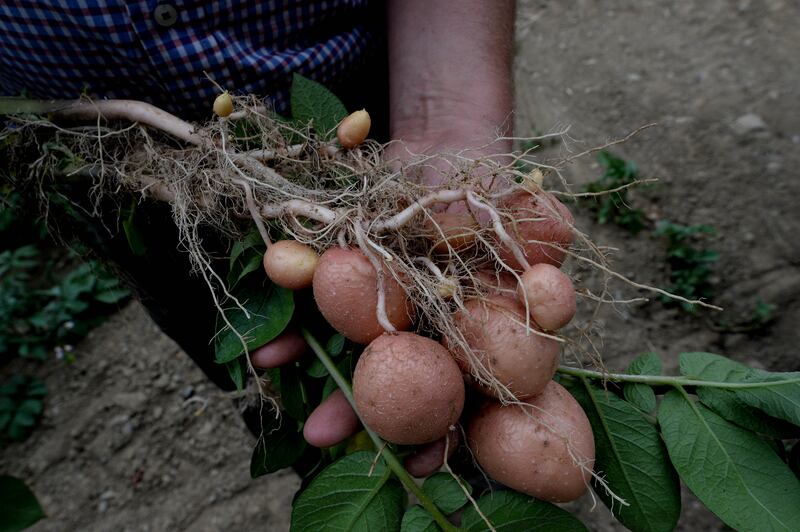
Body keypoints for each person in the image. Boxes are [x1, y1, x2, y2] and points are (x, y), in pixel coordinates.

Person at [1, 1, 518, 475]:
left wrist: (448, 112)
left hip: (360, 120)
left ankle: (468, 472)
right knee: (266, 375)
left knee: (450, 386)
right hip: (105, 175)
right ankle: (326, 464)